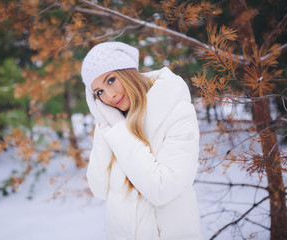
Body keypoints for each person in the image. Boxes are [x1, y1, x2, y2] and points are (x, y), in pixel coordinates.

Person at [81, 41, 202, 240]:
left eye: (110, 80)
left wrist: (120, 131)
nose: (109, 95)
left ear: (127, 72)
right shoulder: (112, 122)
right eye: (99, 92)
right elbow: (99, 188)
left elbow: (162, 189)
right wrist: (104, 124)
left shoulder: (177, 111)